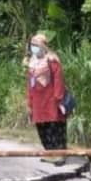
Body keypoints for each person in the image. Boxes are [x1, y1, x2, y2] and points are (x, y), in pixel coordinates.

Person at [25, 33, 68, 163]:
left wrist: (59, 98)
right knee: (42, 127)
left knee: (55, 126)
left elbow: (58, 80)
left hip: (51, 100)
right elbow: (30, 83)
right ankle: (49, 153)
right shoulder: (32, 63)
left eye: (36, 45)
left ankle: (60, 155)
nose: (34, 48)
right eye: (32, 45)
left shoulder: (52, 61)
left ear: (43, 46)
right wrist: (29, 101)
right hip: (38, 101)